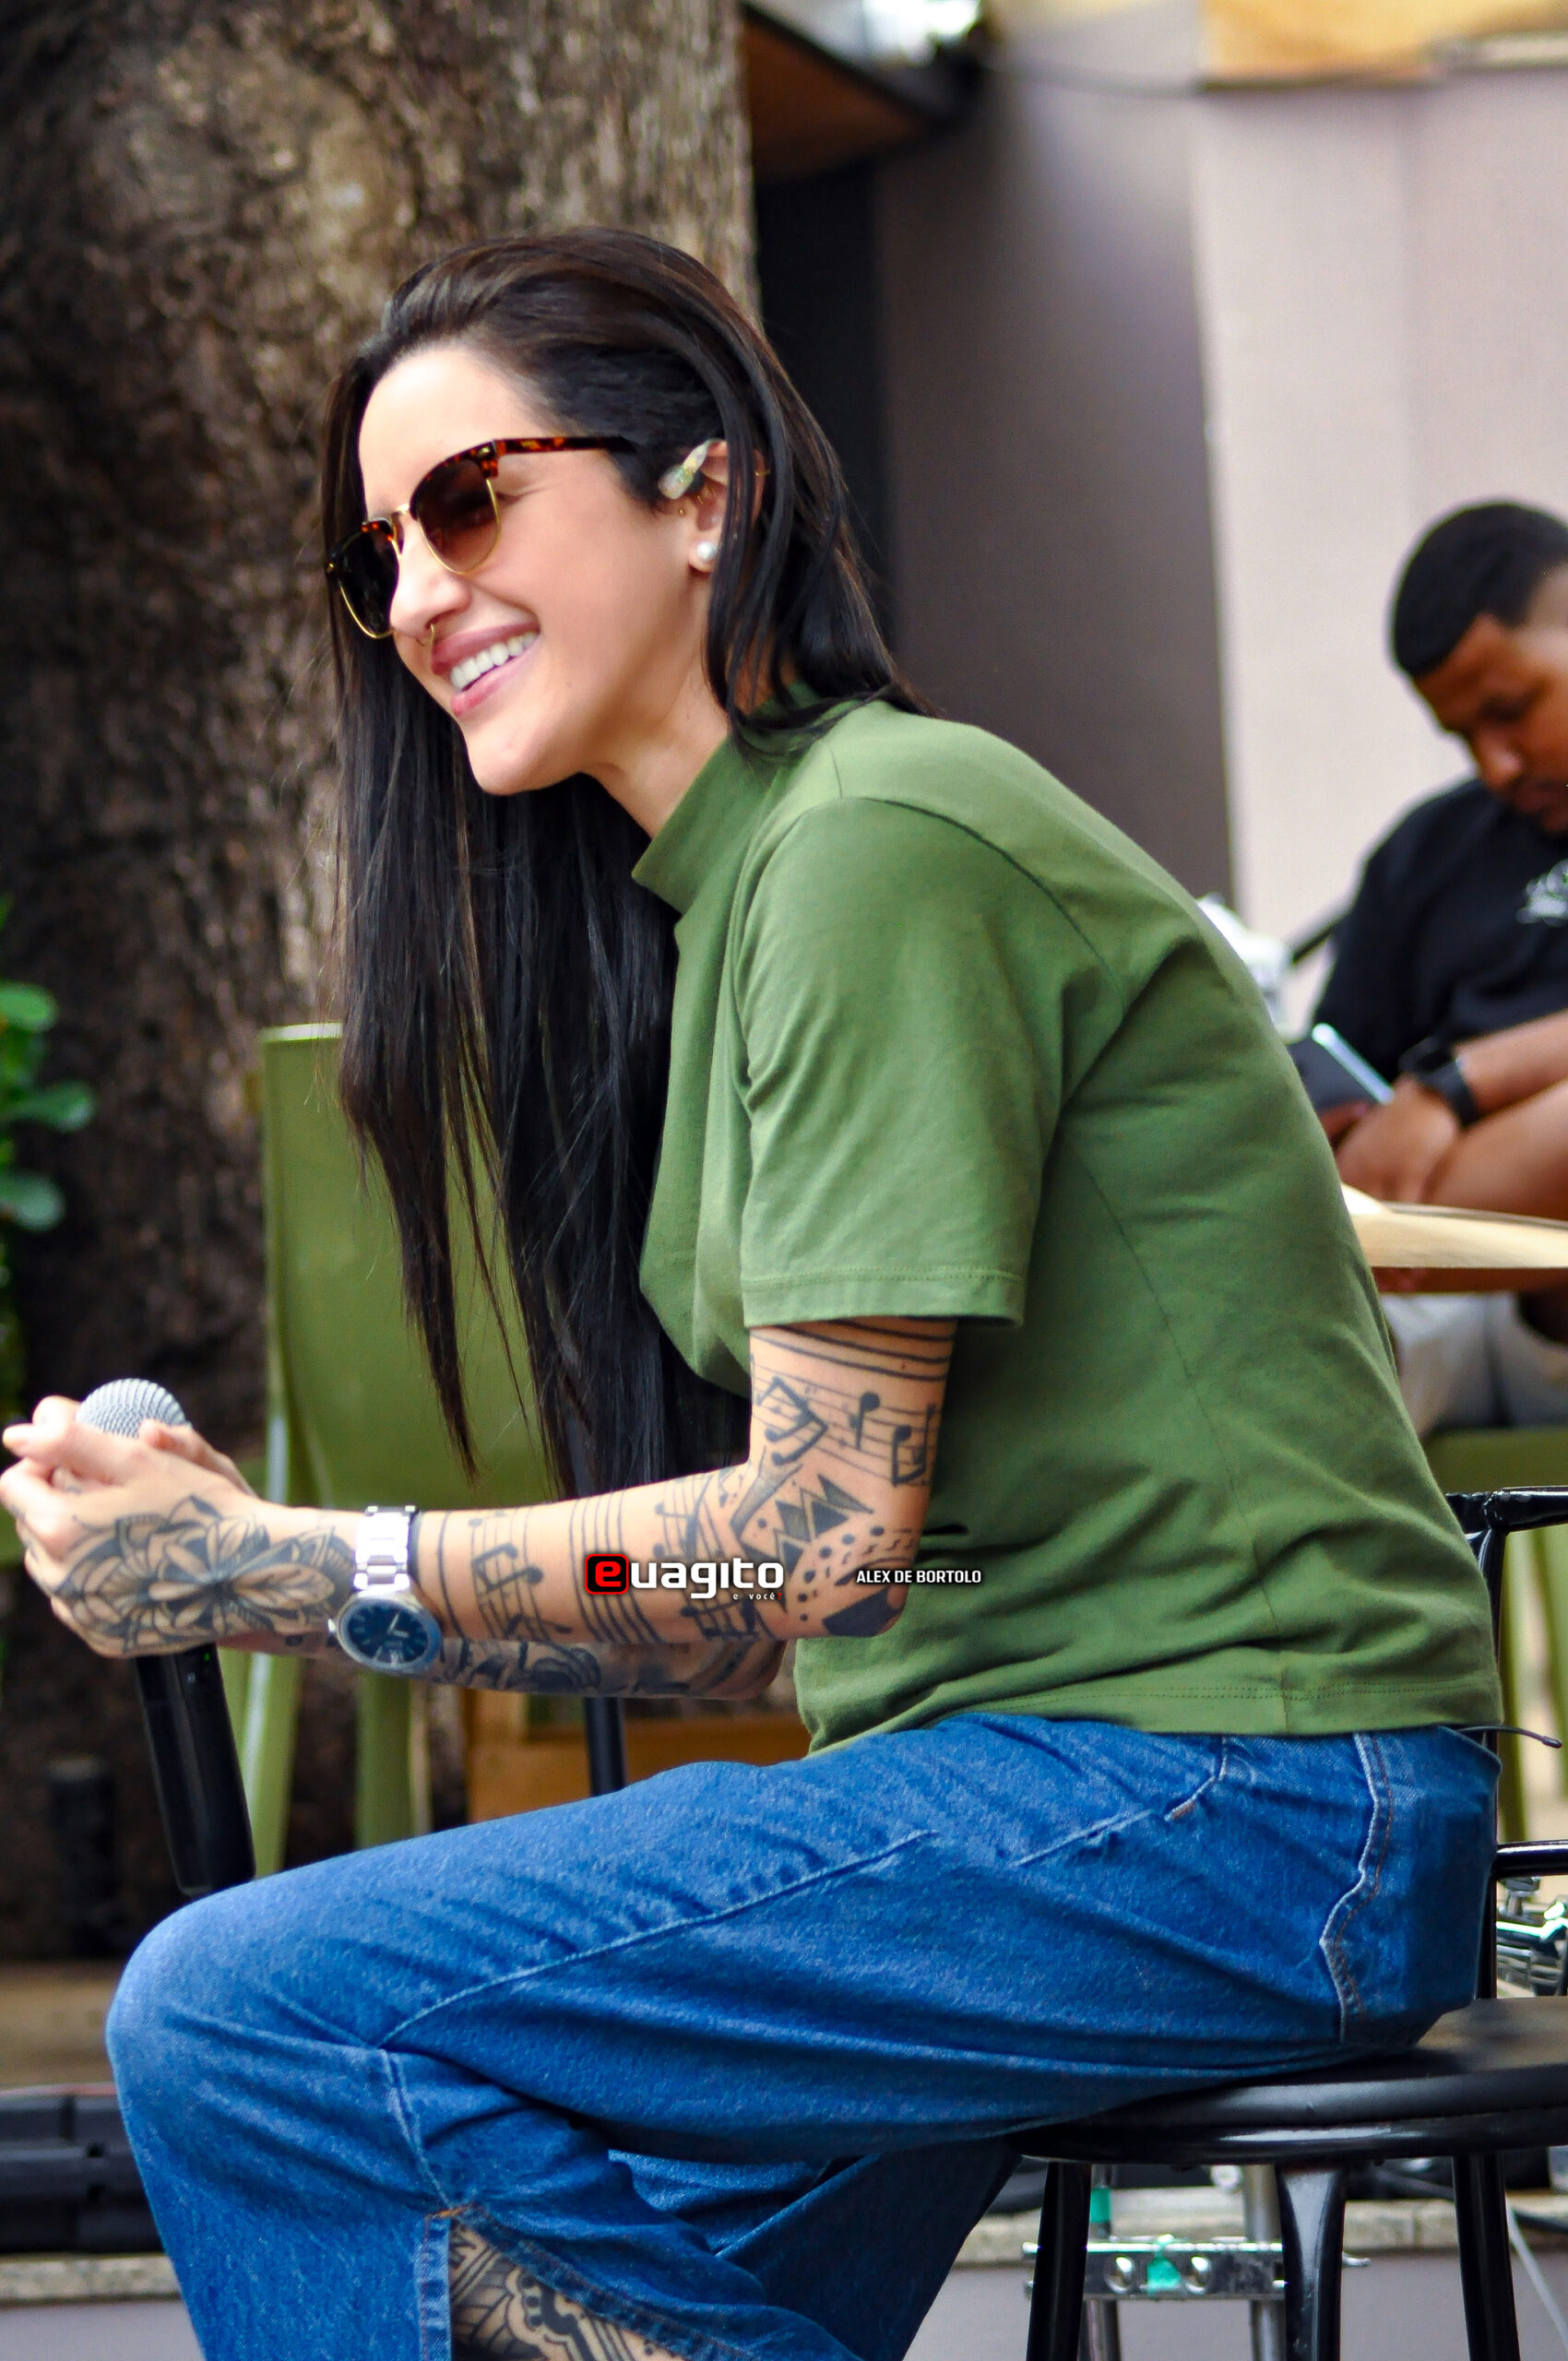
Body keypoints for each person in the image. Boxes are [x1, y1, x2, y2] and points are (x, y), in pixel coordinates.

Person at [0, 232, 1503, 2361]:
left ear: (704, 493)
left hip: (1225, 1804)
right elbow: (776, 1592)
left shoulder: (876, 842)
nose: (415, 593)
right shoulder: (741, 901)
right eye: (374, 555)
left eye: (467, 501)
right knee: (465, 2213)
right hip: (1043, 1799)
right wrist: (259, 1554)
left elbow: (808, 1537)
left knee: (245, 2014)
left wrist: (284, 1564)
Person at [1319, 502, 1568, 1431]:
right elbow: (1338, 1105)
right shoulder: (1424, 854)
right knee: (1291, 1354)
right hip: (1434, 1303)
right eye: (1461, 735)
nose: (1495, 764)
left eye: (1510, 711)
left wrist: (1451, 1088)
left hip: (1443, 1249)